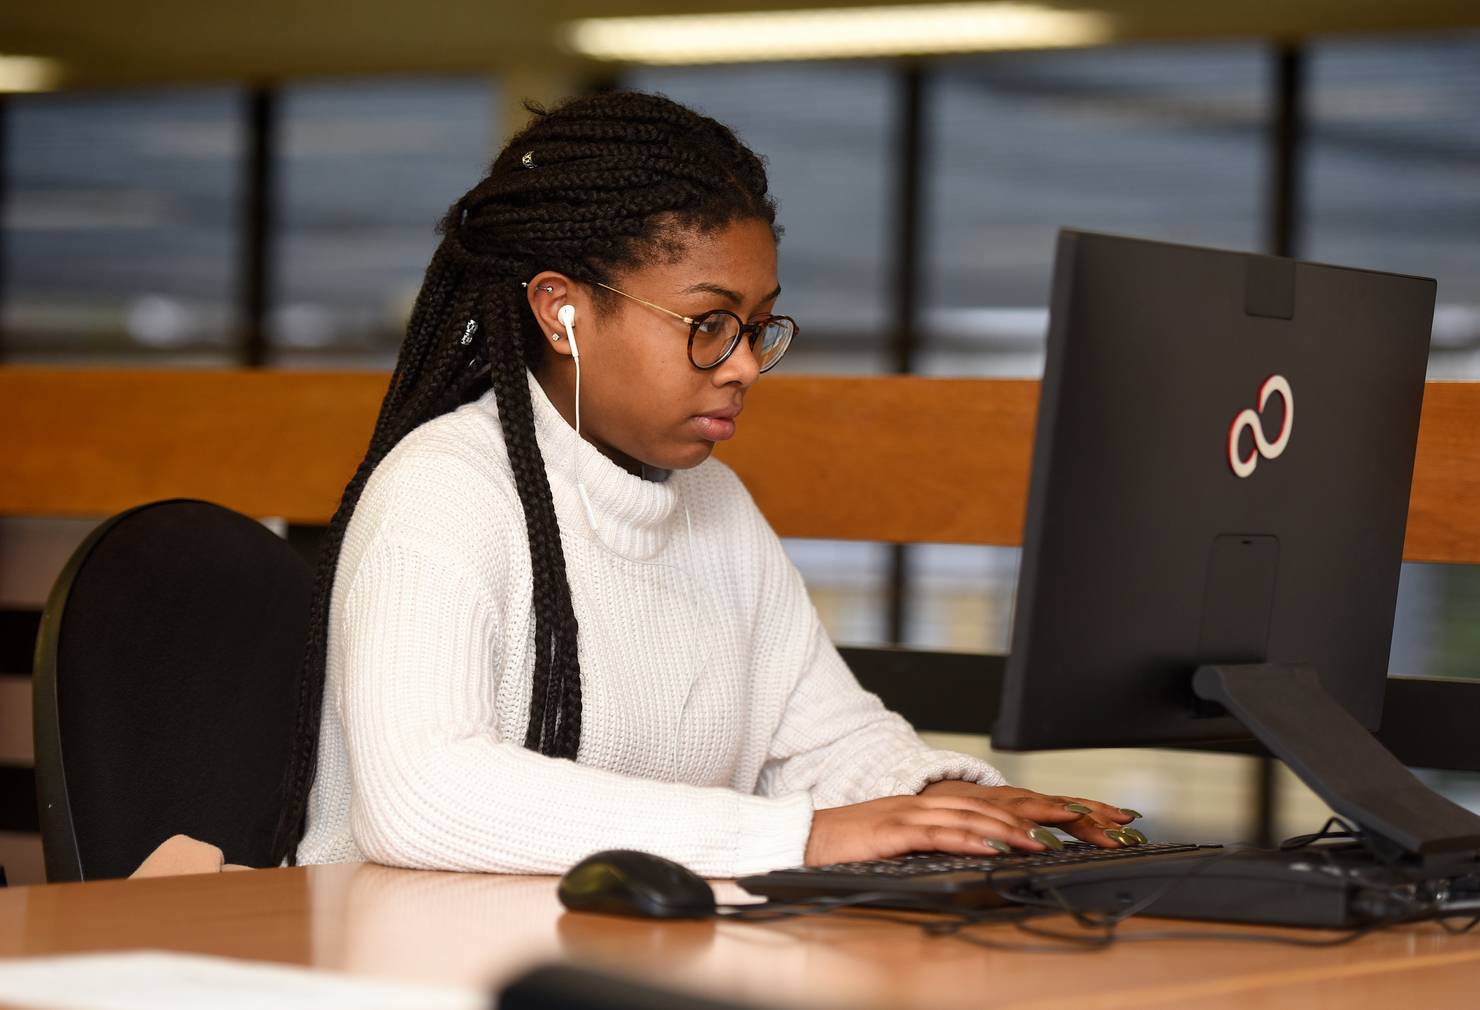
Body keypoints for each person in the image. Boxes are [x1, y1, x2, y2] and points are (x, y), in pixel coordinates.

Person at [277, 90, 1143, 875]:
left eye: (759, 328)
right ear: (560, 309)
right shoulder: (443, 490)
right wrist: (796, 837)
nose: (744, 368)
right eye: (708, 323)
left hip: (616, 955)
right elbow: (425, 800)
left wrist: (934, 801)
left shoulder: (714, 504)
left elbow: (819, 740)